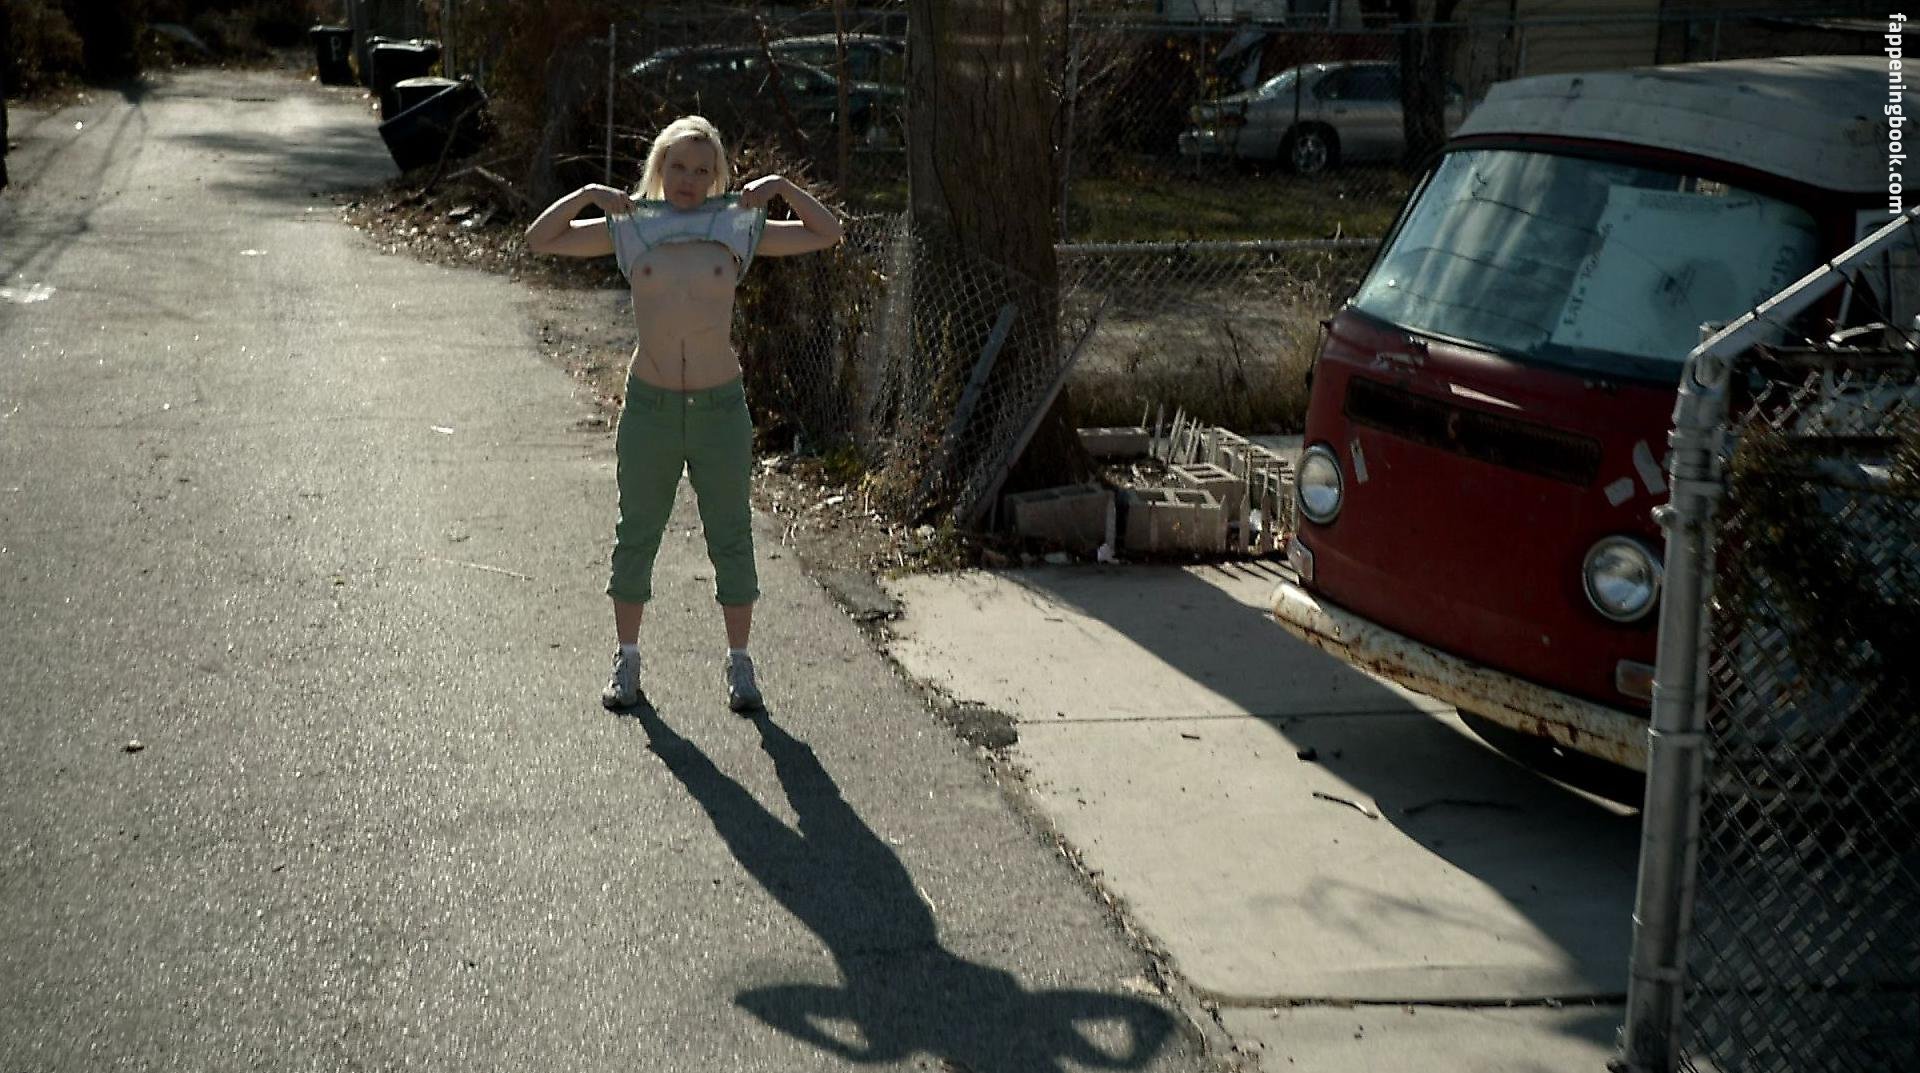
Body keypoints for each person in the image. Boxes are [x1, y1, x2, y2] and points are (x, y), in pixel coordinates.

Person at [525, 115, 844, 712]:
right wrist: (590, 195)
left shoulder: (736, 225)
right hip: (650, 406)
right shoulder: (632, 226)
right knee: (636, 534)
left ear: (717, 174)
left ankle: (740, 663)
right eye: (678, 167)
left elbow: (827, 232)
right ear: (660, 168)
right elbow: (541, 239)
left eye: (702, 169)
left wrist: (779, 187)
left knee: (731, 535)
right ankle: (626, 659)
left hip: (719, 407)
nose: (689, 180)